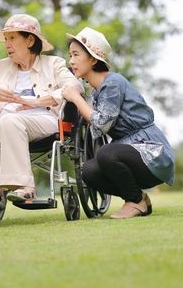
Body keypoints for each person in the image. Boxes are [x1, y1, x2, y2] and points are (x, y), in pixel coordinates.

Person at [0, 14, 82, 203]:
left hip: (44, 120)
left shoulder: (53, 64)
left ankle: (25, 187)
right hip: (7, 123)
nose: (7, 44)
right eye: (5, 39)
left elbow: (75, 86)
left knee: (10, 121)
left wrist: (39, 101)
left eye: (12, 38)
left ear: (29, 40)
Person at [62, 27, 175, 219]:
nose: (71, 61)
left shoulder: (112, 83)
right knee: (89, 171)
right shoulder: (97, 91)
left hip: (151, 151)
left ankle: (135, 203)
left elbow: (101, 124)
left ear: (92, 59)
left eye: (76, 54)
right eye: (70, 55)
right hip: (126, 151)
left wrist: (75, 98)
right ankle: (139, 198)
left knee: (105, 153)